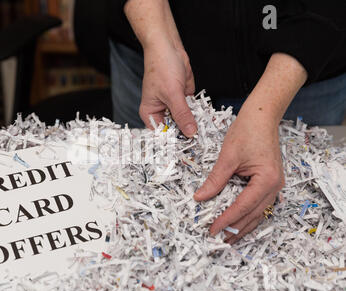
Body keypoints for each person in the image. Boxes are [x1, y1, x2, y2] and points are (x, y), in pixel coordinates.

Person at [108, 0, 346, 243]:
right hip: (155, 55)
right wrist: (158, 38)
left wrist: (268, 107)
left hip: (303, 66)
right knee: (135, 196)